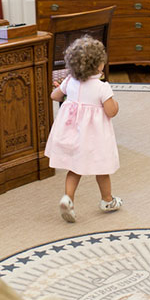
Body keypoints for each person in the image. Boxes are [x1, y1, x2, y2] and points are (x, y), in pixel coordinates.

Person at [44, 35, 123, 222]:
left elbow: (54, 96)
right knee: (102, 169)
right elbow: (111, 112)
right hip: (94, 138)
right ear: (98, 65)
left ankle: (68, 198)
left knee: (74, 168)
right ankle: (107, 200)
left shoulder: (70, 81)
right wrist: (115, 104)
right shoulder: (102, 87)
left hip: (73, 135)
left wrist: (66, 93)